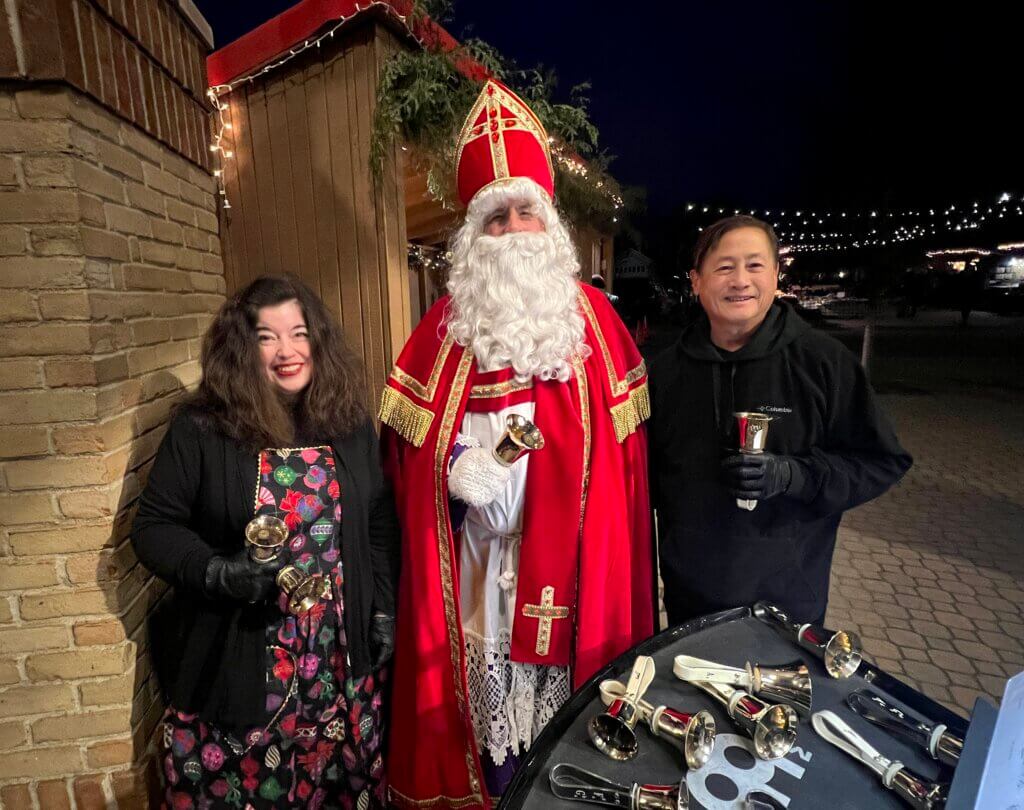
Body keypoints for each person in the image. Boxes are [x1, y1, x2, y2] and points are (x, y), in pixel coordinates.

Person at [380, 80, 653, 809]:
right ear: (472, 238)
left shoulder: (594, 324)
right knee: (484, 733)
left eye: (525, 210)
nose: (512, 228)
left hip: (572, 573)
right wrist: (448, 471)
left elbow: (627, 476)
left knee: (565, 732)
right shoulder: (441, 330)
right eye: (494, 218)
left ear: (549, 223)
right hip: (477, 577)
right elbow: (403, 459)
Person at [132, 276, 400, 809]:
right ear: (241, 348)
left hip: (336, 652)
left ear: (317, 340)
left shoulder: (348, 422)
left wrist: (382, 609)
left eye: (298, 334)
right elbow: (154, 528)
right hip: (245, 651)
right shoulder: (203, 428)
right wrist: (216, 572)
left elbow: (375, 522)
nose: (287, 352)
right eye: (266, 337)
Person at [649, 216, 912, 627]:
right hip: (688, 599)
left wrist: (793, 475)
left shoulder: (822, 362)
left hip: (788, 603)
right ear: (696, 281)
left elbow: (881, 462)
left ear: (775, 275)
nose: (740, 280)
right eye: (723, 267)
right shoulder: (664, 373)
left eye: (754, 266)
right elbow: (637, 479)